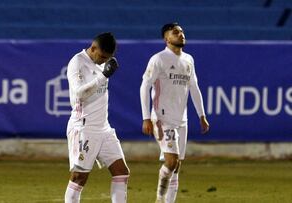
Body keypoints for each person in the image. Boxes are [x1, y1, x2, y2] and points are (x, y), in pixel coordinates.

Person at [140, 23, 210, 203]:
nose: (181, 34)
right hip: (162, 118)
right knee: (172, 162)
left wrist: (201, 115)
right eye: (175, 32)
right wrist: (146, 117)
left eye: (182, 31)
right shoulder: (159, 59)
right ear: (166, 38)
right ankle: (160, 199)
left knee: (177, 166)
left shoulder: (188, 60)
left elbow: (194, 88)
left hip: (182, 119)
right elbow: (145, 87)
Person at [64, 32, 129, 203]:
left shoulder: (102, 63)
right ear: (93, 47)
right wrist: (103, 76)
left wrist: (103, 73)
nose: (103, 61)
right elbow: (79, 94)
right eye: (101, 56)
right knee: (79, 177)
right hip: (84, 127)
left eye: (107, 58)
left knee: (121, 172)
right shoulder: (77, 63)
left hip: (104, 128)